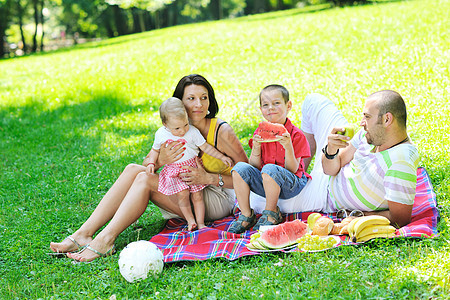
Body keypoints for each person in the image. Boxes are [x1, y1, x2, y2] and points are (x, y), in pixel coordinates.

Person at [50, 74, 248, 262]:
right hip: (186, 189)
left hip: (217, 197)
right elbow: (148, 163)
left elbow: (250, 177)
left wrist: (209, 178)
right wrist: (161, 160)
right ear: (179, 103)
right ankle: (83, 234)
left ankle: (105, 240)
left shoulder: (221, 131)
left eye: (204, 98)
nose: (199, 104)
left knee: (144, 180)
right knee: (132, 170)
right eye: (191, 98)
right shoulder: (174, 128)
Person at [249, 90, 419, 228]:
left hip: (323, 195)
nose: (361, 123)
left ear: (387, 119)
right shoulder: (371, 134)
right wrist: (330, 150)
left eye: (367, 117)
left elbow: (400, 219)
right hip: (328, 174)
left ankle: (295, 179)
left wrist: (359, 218)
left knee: (254, 199)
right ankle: (298, 170)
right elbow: (331, 168)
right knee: (313, 101)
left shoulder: (400, 162)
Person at [228, 84, 311, 234]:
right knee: (239, 168)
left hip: (292, 184)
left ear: (289, 105)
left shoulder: (296, 135)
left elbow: (293, 170)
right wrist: (256, 148)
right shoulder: (260, 132)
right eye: (265, 105)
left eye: (276, 103)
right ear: (261, 110)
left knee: (269, 169)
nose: (271, 108)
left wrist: (288, 147)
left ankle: (272, 212)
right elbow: (253, 166)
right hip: (266, 182)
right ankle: (247, 214)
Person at [146, 97, 233, 231]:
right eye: (177, 128)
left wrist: (221, 156)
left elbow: (206, 147)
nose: (182, 131)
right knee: (183, 195)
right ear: (165, 124)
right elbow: (154, 150)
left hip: (193, 168)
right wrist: (152, 162)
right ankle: (190, 220)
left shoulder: (192, 132)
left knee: (198, 196)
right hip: (174, 171)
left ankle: (201, 223)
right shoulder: (161, 134)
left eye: (185, 124)